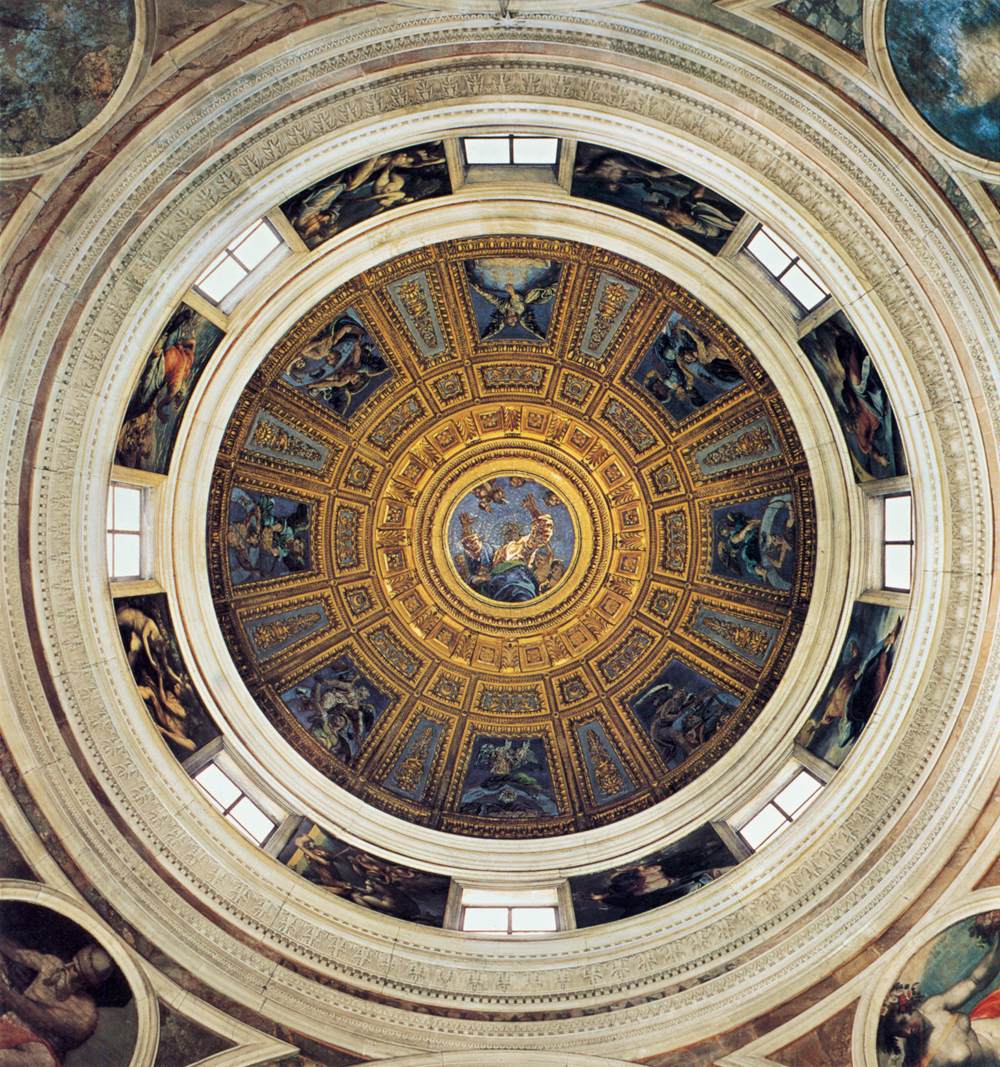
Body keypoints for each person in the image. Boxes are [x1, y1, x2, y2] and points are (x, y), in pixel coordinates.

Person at [878, 917, 1000, 1066]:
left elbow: (974, 982)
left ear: (907, 1004)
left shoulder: (934, 1007)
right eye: (901, 1032)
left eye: (904, 1022)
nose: (908, 1032)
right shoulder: (918, 1057)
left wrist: (998, 947)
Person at [0, 935, 115, 1066]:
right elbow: (17, 953)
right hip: (9, 1022)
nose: (68, 969)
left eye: (77, 972)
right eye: (73, 963)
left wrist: (5, 991)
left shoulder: (86, 1013)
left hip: (39, 1045)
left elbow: (37, 1017)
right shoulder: (52, 965)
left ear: (88, 984)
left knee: (45, 1062)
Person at [458, 492, 555, 602]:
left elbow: (542, 533)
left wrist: (533, 510)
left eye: (513, 530)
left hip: (518, 582)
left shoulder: (523, 545)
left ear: (518, 533)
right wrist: (466, 528)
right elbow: (475, 548)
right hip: (496, 585)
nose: (509, 532)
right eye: (506, 531)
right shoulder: (496, 552)